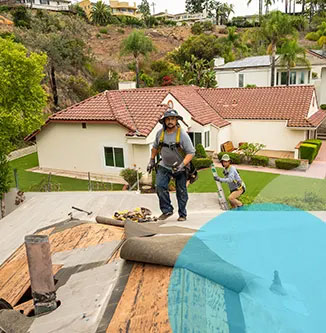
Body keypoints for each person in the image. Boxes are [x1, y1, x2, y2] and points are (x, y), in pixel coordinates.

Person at [147, 110, 195, 221]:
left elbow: (191, 153)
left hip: (180, 167)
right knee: (159, 186)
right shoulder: (160, 133)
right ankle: (167, 210)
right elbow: (154, 147)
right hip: (164, 165)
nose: (170, 121)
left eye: (172, 119)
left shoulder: (182, 135)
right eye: (168, 119)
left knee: (181, 191)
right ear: (164, 121)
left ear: (176, 120)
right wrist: (151, 160)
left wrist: (182, 165)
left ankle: (182, 214)